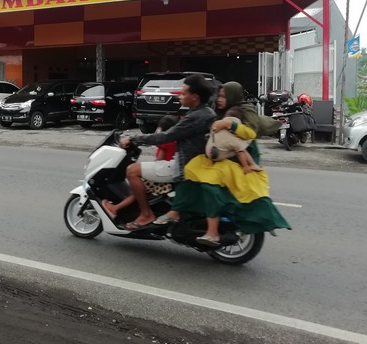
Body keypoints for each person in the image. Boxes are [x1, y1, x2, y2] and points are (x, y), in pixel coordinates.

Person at [168, 81, 289, 247]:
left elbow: (250, 132)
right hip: (225, 154)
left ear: (233, 96)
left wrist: (228, 124)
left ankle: (211, 232)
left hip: (235, 158)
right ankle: (179, 212)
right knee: (189, 171)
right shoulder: (219, 111)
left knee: (209, 185)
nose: (219, 99)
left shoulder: (243, 110)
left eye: (224, 96)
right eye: (219, 95)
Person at [118, 74, 216, 230]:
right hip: (196, 165)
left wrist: (133, 139)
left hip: (183, 167)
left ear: (195, 97)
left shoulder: (195, 117)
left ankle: (146, 214)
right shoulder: (208, 113)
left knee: (132, 171)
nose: (180, 96)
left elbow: (166, 137)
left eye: (183, 93)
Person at [102, 114, 178, 220]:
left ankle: (116, 208)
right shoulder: (176, 141)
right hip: (171, 173)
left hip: (164, 175)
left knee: (137, 185)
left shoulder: (164, 142)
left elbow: (159, 161)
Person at [206, 106, 262, 173]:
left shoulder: (217, 124)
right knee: (240, 149)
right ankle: (249, 165)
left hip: (208, 150)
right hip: (218, 155)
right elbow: (242, 147)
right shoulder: (231, 138)